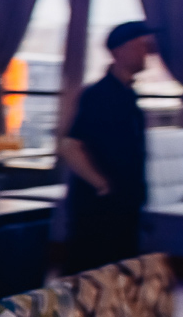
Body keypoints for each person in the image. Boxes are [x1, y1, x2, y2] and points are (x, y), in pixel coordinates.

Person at [61, 21, 160, 275]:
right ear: (119, 50)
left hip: (124, 203)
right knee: (92, 273)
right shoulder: (99, 95)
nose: (146, 53)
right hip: (100, 207)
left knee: (118, 273)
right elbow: (71, 145)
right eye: (140, 46)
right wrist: (102, 184)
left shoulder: (129, 95)